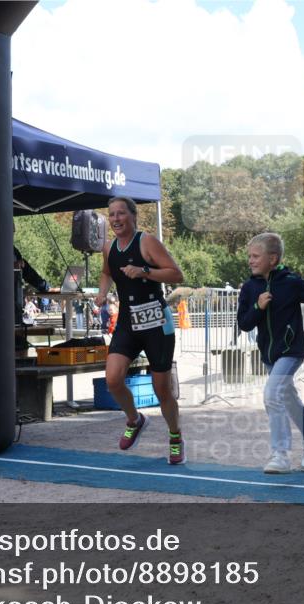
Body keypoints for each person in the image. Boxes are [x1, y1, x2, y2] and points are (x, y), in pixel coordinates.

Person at [236, 232, 304, 474]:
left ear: (272, 259)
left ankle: (280, 455)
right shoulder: (249, 288)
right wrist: (257, 307)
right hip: (269, 354)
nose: (250, 260)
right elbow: (244, 324)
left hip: (291, 350)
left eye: (255, 256)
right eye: (249, 256)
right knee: (287, 397)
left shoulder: (291, 282)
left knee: (272, 394)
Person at [96, 196, 186, 464]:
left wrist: (144, 270)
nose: (116, 219)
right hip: (128, 321)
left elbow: (176, 274)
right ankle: (135, 420)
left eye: (121, 213)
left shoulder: (147, 242)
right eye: (112, 214)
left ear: (133, 216)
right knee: (113, 379)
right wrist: (102, 293)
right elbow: (106, 272)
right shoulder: (109, 247)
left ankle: (175, 436)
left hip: (156, 322)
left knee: (162, 389)